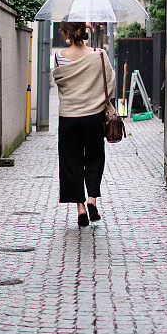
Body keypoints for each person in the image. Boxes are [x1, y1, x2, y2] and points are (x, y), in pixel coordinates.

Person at [52, 21, 115, 227]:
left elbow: (61, 85)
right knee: (95, 158)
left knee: (72, 161)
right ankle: (92, 200)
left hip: (68, 117)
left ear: (66, 33)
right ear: (84, 31)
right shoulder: (99, 55)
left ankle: (80, 208)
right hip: (93, 116)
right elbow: (110, 83)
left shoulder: (59, 57)